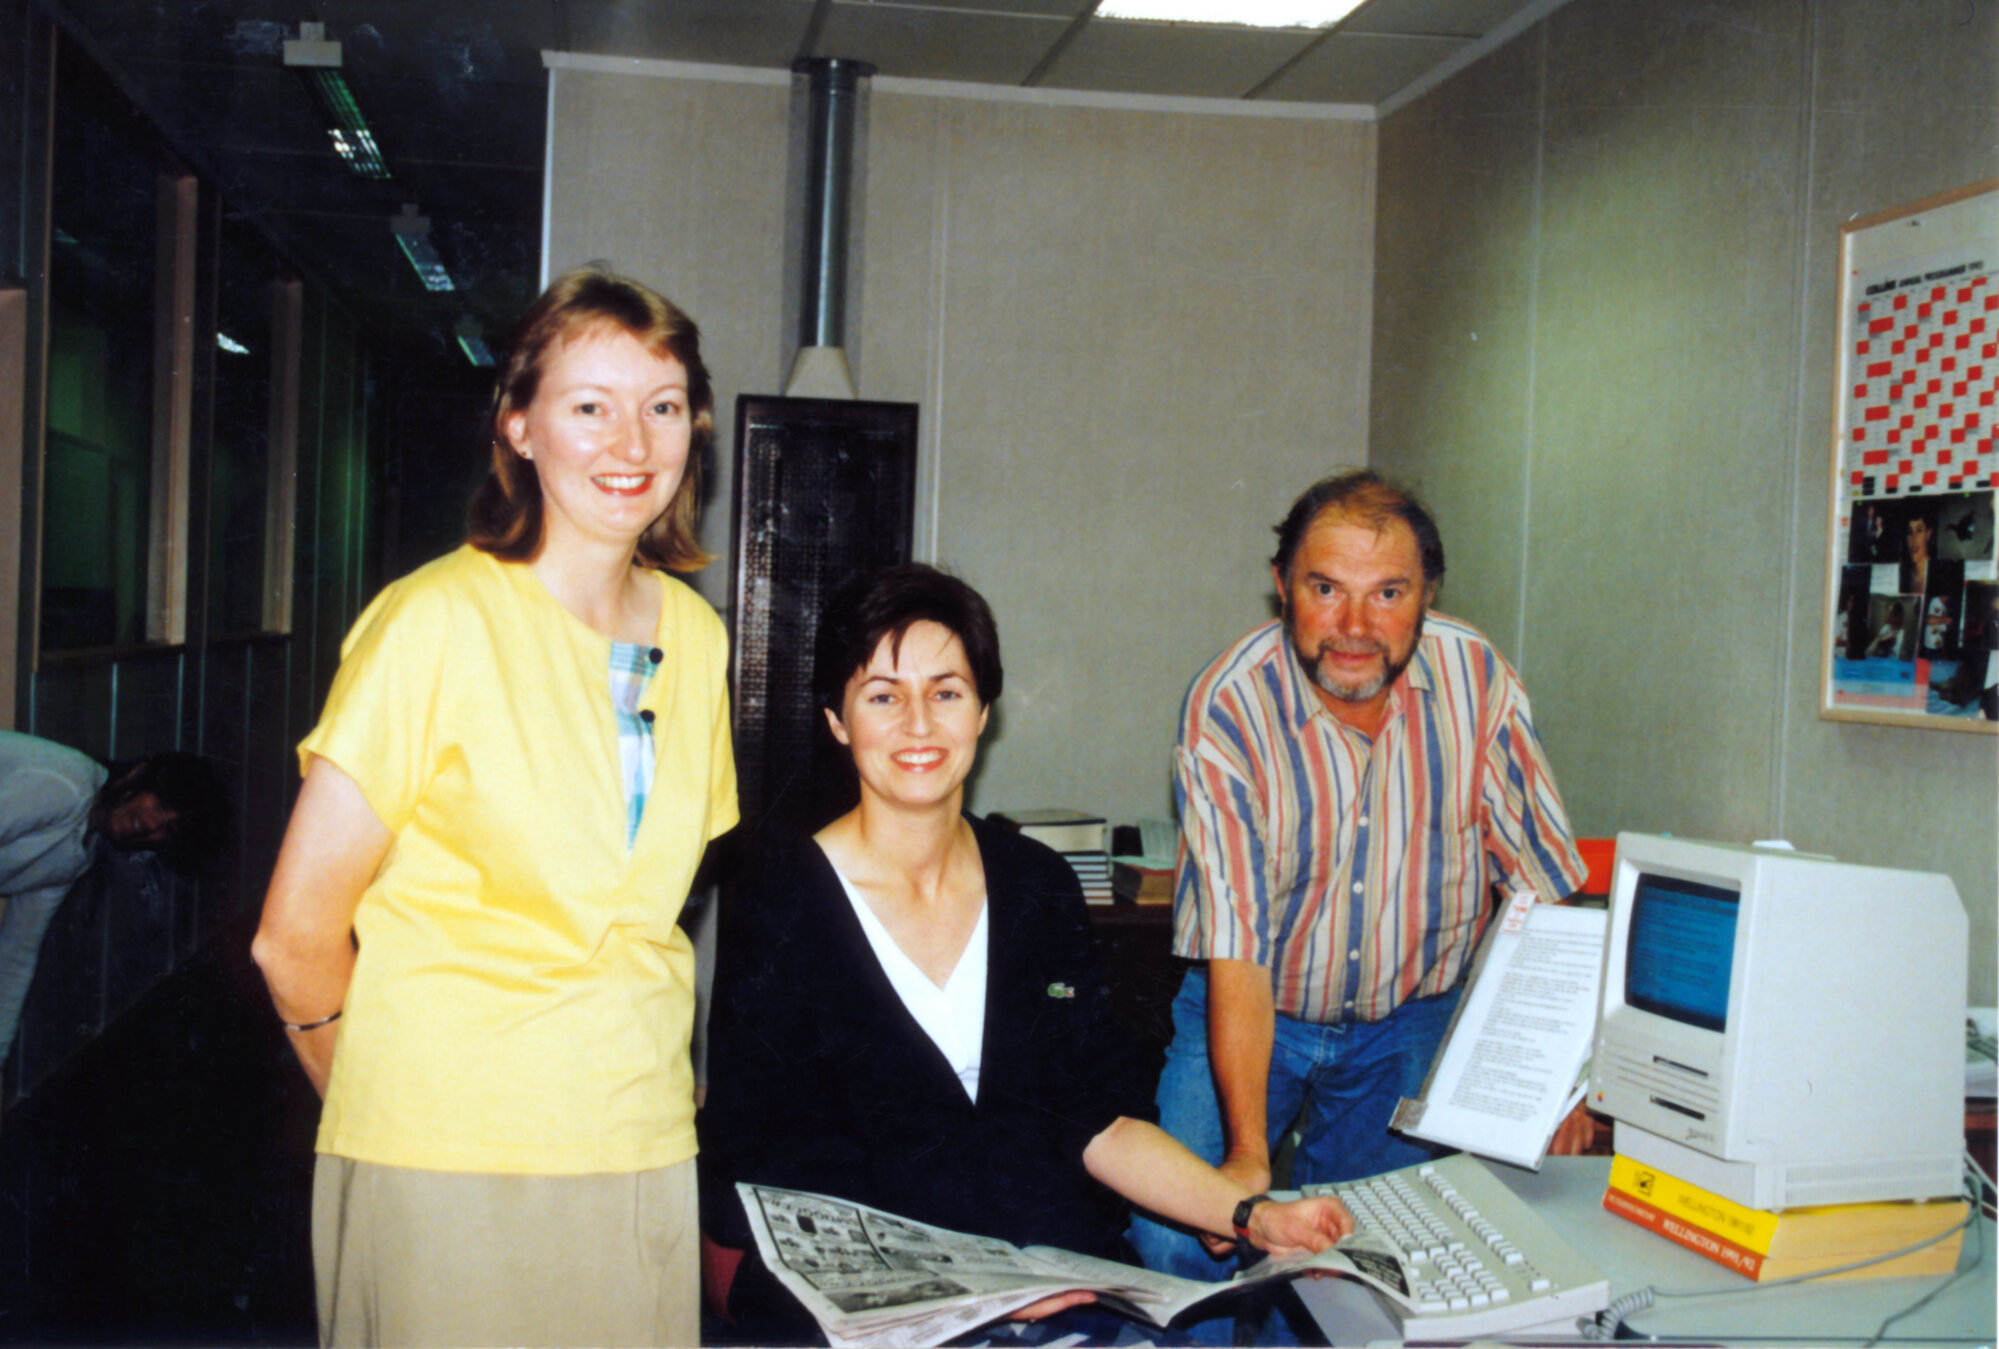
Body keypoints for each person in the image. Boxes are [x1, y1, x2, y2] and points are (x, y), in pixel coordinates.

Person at [252, 267, 737, 1348]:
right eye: (588, 405)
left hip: (640, 1141)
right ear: (519, 425)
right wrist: (389, 1102)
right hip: (449, 1156)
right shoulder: (434, 622)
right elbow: (293, 938)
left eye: (661, 406)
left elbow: (642, 913)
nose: (631, 442)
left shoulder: (695, 641)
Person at [700, 564, 1354, 1346]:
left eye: (946, 692)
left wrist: (1250, 1213)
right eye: (882, 695)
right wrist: (976, 1294)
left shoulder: (1036, 884)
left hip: (1053, 1282)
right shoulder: (779, 901)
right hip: (876, 1309)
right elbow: (767, 1173)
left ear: (982, 712)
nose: (918, 724)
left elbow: (1096, 1121)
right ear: (838, 720)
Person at [1128, 470, 1588, 1336]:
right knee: (1180, 1241)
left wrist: (1563, 1078)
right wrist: (1247, 1169)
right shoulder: (1229, 704)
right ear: (1281, 587)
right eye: (1324, 589)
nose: (1354, 628)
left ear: (1427, 594)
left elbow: (1546, 892)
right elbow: (1236, 951)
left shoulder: (1477, 679)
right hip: (1255, 1002)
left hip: (1407, 1019)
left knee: (1368, 1263)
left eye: (1387, 593)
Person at [0, 733, 226, 1063]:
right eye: (160, 806)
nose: (152, 825)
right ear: (137, 776)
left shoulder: (76, 857)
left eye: (170, 829)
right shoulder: (70, 784)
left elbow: (18, 953)